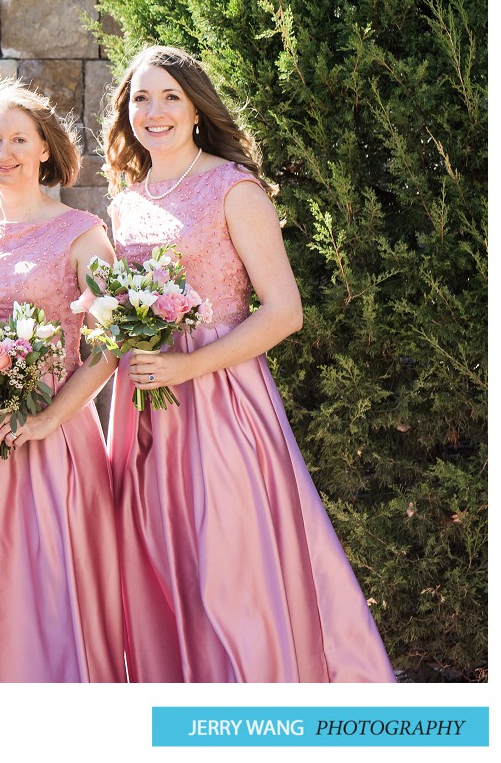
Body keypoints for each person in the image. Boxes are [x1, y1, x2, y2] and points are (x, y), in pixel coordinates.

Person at [103, 45, 393, 682]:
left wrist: (188, 367)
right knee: (166, 561)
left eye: (170, 97)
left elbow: (285, 312)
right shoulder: (126, 201)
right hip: (147, 404)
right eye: (141, 99)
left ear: (196, 109)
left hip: (222, 401)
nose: (154, 111)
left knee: (230, 568)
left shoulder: (233, 188)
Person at [0, 77, 124, 682]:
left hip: (56, 435)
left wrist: (47, 419)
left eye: (19, 139)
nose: (6, 152)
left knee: (54, 588)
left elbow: (108, 345)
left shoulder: (82, 232)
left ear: (46, 147)